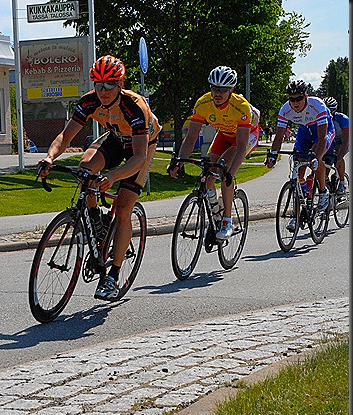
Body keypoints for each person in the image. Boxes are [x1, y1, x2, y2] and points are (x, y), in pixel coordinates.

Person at [38, 55, 161, 301]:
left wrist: (113, 176)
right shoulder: (89, 101)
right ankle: (97, 223)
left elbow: (138, 157)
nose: (103, 91)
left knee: (124, 208)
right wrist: (49, 157)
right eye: (98, 84)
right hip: (115, 139)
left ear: (120, 84)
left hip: (140, 147)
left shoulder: (135, 106)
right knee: (85, 169)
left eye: (109, 84)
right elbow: (65, 137)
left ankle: (113, 277)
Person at [168, 65, 261, 240]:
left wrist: (230, 173)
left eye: (223, 90)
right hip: (224, 134)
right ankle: (216, 213)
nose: (218, 93)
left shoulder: (240, 106)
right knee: (208, 172)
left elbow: (241, 145)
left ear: (231, 90)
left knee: (224, 170)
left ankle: (227, 221)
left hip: (245, 136)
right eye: (214, 88)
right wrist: (178, 162)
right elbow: (191, 138)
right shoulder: (203, 103)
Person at [265, 80, 335, 214]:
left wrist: (317, 157)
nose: (295, 103)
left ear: (306, 96)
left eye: (299, 99)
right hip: (304, 133)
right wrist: (273, 155)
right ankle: (298, 211)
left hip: (322, 132)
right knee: (299, 166)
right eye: (292, 99)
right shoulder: (285, 110)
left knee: (315, 158)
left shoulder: (317, 105)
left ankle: (323, 191)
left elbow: (322, 138)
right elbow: (278, 137)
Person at [322, 97, 349, 195]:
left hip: (342, 141)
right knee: (325, 161)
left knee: (338, 154)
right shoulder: (320, 118)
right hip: (331, 141)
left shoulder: (343, 119)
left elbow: (345, 143)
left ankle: (342, 182)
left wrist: (339, 158)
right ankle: (326, 181)